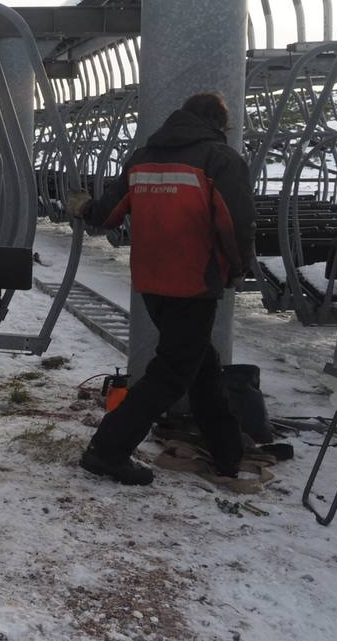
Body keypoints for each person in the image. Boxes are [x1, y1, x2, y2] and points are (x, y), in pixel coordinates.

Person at [66, 92, 255, 487]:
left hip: (151, 282)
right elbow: (234, 226)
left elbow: (108, 214)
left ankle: (226, 451)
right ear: (219, 125)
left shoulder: (142, 159)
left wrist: (84, 208)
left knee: (199, 364)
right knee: (171, 374)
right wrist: (236, 271)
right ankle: (108, 450)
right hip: (194, 283)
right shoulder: (220, 161)